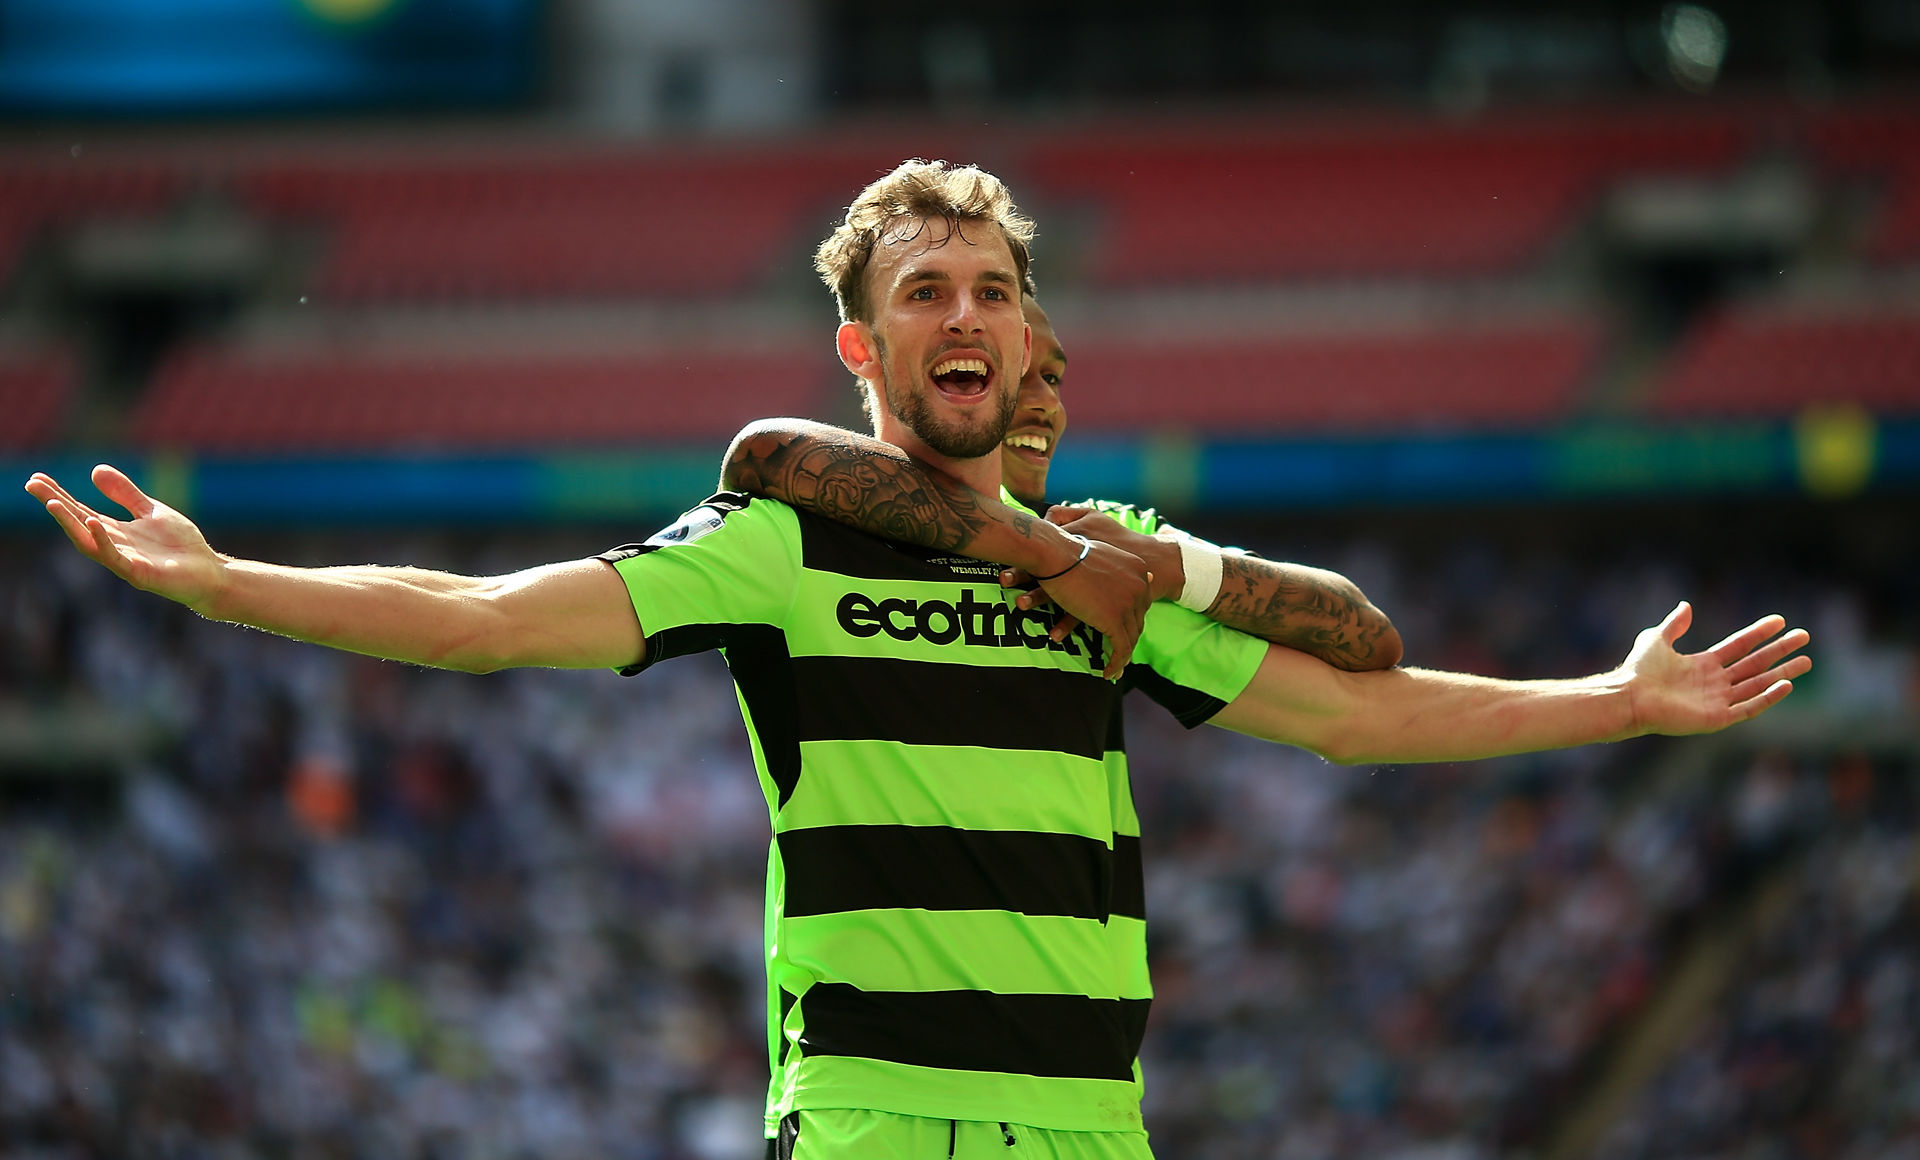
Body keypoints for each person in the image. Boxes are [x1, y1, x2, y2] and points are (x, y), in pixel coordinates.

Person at [25, 159, 1810, 1160]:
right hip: (880, 1123)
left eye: (991, 290)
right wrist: (231, 585)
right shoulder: (780, 542)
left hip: (1092, 1126)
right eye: (923, 293)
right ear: (863, 352)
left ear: (1029, 340)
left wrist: (1614, 702)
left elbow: (1356, 712)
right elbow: (490, 618)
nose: (963, 314)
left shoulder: (1106, 566)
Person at [722, 290, 1406, 672]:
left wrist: (1165, 567)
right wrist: (1052, 555)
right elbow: (766, 452)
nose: (1047, 405)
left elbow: (1366, 637)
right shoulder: (816, 532)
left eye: (1052, 378)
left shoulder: (1107, 541)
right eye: (1015, 375)